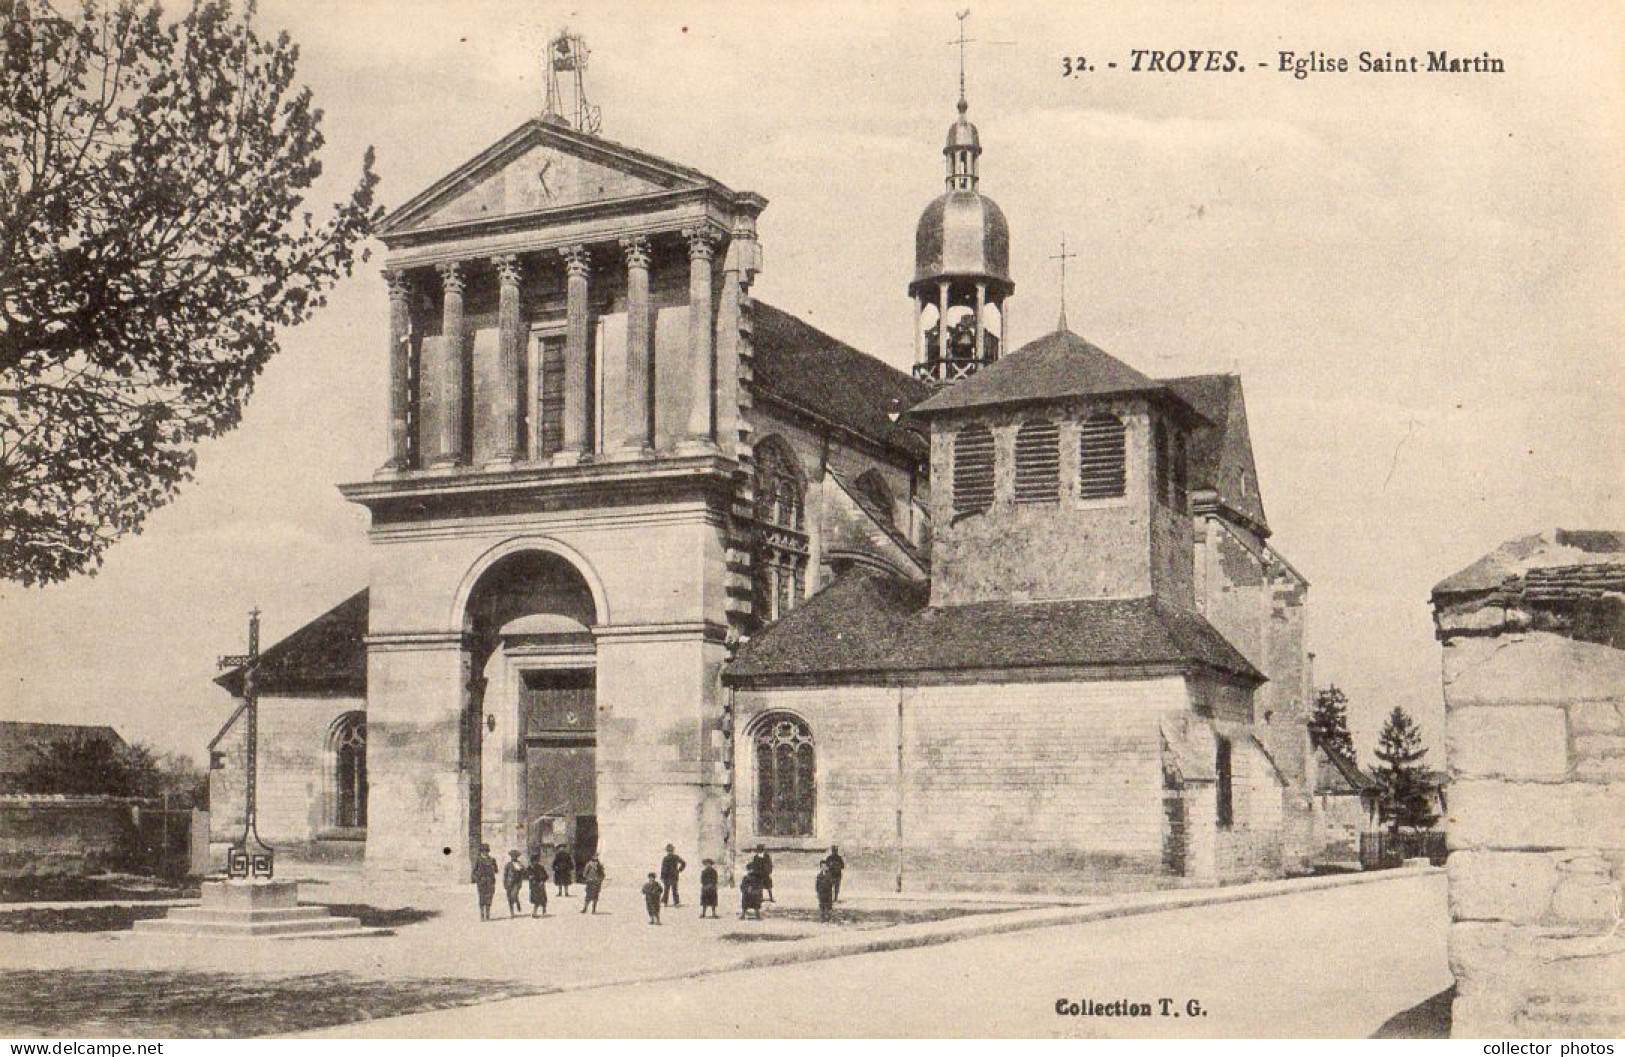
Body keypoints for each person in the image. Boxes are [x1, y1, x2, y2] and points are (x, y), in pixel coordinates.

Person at [471, 843, 499, 921]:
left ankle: (488, 914)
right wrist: (477, 879)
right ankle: (482, 915)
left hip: (490, 881)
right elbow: (474, 871)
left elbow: (496, 870)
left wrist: (493, 868)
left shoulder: (492, 860)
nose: (485, 852)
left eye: (486, 851)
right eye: (483, 851)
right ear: (481, 852)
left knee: (489, 898)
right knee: (482, 898)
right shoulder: (478, 860)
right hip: (482, 881)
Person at [502, 849, 525, 918]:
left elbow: (523, 874)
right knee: (509, 898)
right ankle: (512, 912)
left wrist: (521, 881)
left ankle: (517, 902)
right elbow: (505, 874)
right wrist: (504, 883)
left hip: (516, 882)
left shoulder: (520, 864)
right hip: (509, 882)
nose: (514, 857)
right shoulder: (508, 865)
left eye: (515, 856)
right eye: (513, 856)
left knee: (513, 895)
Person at [527, 852, 549, 917]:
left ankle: (542, 909)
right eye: (533, 861)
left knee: (543, 898)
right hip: (533, 885)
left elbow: (546, 876)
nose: (534, 862)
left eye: (536, 861)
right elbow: (525, 875)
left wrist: (542, 881)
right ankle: (535, 912)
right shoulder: (529, 868)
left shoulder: (540, 867)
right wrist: (529, 877)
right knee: (536, 899)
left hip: (540, 884)